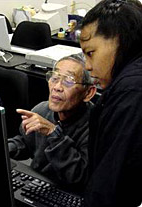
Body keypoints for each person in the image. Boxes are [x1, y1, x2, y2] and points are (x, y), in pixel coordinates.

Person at [79, 0, 142, 206]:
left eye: (91, 53)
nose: (87, 66)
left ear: (118, 39)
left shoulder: (132, 91)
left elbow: (111, 182)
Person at [8, 53, 96, 192]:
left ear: (88, 93)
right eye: (54, 78)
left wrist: (53, 133)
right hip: (38, 186)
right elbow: (25, 142)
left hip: (69, 196)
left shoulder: (97, 125)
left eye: (68, 80)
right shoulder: (42, 109)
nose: (57, 87)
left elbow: (79, 177)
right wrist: (4, 148)